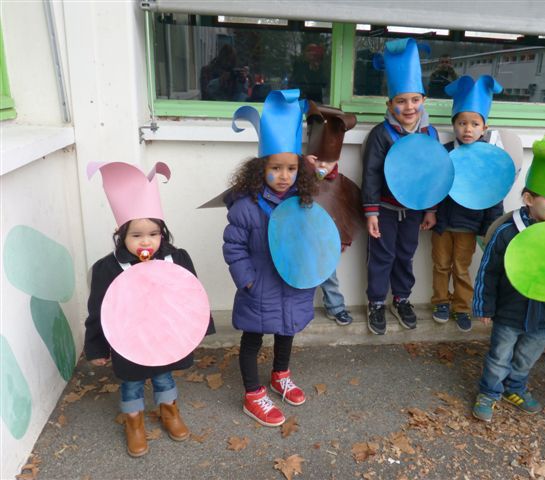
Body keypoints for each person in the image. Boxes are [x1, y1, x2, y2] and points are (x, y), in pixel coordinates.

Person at [84, 162, 214, 457]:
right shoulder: (108, 268)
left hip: (164, 337)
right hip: (128, 339)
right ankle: (134, 423)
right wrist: (96, 348)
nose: (146, 241)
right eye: (136, 235)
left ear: (162, 233)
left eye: (153, 234)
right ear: (121, 235)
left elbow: (191, 296)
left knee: (163, 377)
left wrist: (198, 329)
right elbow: (99, 310)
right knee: (131, 383)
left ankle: (170, 412)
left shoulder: (177, 259)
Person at [471, 136, 545, 422]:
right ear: (528, 199)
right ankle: (489, 391)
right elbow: (489, 270)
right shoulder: (507, 232)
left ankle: (516, 387)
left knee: (528, 354)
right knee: (500, 354)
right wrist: (484, 306)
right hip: (509, 310)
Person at [223, 89, 318, 427]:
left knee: (286, 330)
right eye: (276, 168)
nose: (284, 176)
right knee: (252, 338)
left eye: (291, 168)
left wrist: (313, 266)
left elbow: (314, 240)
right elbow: (233, 247)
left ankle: (280, 375)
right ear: (260, 168)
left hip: (291, 284)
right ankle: (252, 393)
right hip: (259, 285)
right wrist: (247, 279)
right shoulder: (246, 207)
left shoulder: (303, 203)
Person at [362, 38, 439, 335]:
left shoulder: (430, 134)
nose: (409, 107)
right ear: (390, 104)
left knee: (406, 254)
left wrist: (431, 209)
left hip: (416, 209)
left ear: (423, 99)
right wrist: (371, 212)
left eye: (414, 100)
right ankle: (377, 302)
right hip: (384, 207)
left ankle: (402, 299)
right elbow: (370, 174)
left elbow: (435, 174)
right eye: (401, 101)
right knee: (382, 256)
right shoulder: (381, 134)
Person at [430, 75, 504, 332]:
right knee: (440, 266)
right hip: (442, 223)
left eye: (474, 124)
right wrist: (430, 212)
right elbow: (435, 187)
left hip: (470, 226)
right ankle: (440, 302)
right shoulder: (445, 151)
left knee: (461, 268)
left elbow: (494, 193)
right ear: (454, 125)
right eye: (462, 123)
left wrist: (490, 226)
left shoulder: (488, 158)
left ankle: (462, 306)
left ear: (484, 127)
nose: (468, 129)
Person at [304, 101, 361, 326]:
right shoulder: (300, 178)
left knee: (329, 276)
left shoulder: (339, 183)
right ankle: (300, 310)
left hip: (326, 241)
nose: (322, 167)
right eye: (318, 160)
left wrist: (344, 237)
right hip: (302, 239)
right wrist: (304, 168)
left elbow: (345, 210)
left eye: (328, 162)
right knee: (301, 276)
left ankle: (335, 307)